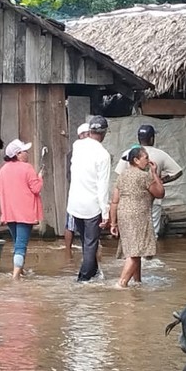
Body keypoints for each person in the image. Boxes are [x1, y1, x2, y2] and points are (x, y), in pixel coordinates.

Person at [109, 146, 165, 288]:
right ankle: (121, 283)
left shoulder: (122, 176)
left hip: (123, 214)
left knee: (134, 249)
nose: (148, 161)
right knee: (134, 253)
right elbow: (160, 193)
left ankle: (137, 282)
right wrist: (154, 173)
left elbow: (114, 201)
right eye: (145, 158)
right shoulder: (144, 176)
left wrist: (113, 223)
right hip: (138, 216)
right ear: (136, 160)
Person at [114, 124, 183, 237]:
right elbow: (177, 172)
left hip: (131, 201)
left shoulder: (128, 154)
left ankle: (133, 254)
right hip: (153, 199)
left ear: (138, 138)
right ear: (152, 139)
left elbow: (120, 177)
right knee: (152, 235)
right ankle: (149, 253)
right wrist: (160, 181)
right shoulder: (160, 154)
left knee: (132, 234)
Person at [67, 115, 111, 282]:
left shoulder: (77, 145)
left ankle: (92, 273)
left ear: (90, 130)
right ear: (104, 133)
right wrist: (106, 214)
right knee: (90, 245)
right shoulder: (103, 155)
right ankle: (83, 280)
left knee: (86, 243)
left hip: (75, 204)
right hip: (92, 206)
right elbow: (102, 186)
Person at [0, 138, 44, 280]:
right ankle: (16, 276)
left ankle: (20, 270)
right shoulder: (27, 168)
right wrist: (40, 177)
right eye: (24, 151)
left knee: (17, 242)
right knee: (21, 244)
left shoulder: (4, 169)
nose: (27, 153)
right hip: (25, 213)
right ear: (17, 154)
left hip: (9, 212)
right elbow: (36, 188)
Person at [64, 122, 91, 256]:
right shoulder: (73, 153)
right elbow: (69, 175)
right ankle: (68, 251)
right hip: (77, 191)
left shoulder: (94, 151)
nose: (89, 137)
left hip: (88, 192)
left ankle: (88, 251)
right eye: (87, 134)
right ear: (81, 136)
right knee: (71, 223)